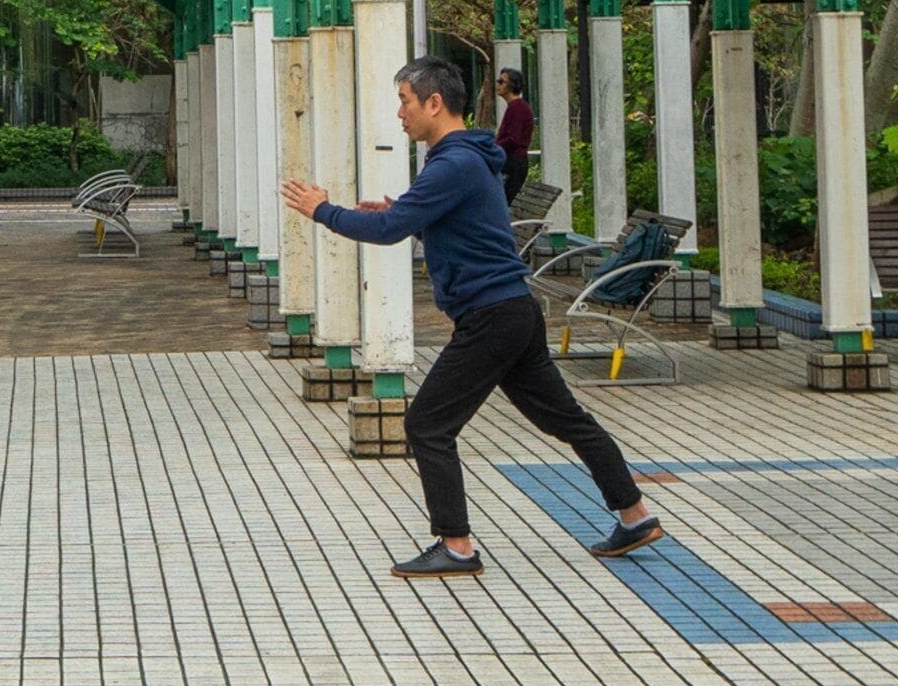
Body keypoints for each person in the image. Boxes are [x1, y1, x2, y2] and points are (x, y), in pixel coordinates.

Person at [284, 55, 663, 578]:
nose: (400, 114)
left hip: (492, 316)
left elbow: (389, 232)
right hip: (511, 311)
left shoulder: (453, 163)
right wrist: (402, 213)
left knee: (427, 423)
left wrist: (322, 210)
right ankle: (635, 515)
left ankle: (457, 546)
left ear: (434, 103)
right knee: (566, 419)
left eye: (405, 102)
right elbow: (431, 223)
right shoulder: (465, 159)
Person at [492, 67, 534, 202]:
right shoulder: (515, 106)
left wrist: (492, 146)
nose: (498, 85)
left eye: (501, 82)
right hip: (511, 163)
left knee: (501, 202)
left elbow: (513, 139)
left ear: (512, 85)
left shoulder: (518, 107)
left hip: (514, 164)